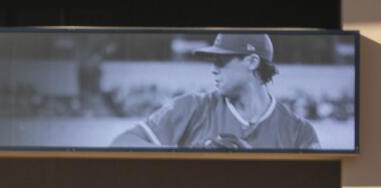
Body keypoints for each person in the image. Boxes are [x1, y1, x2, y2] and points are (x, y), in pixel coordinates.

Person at [111, 34, 319, 150]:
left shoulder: (299, 132)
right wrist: (190, 156)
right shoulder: (191, 106)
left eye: (222, 61)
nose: (213, 69)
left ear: (252, 61)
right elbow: (120, 144)